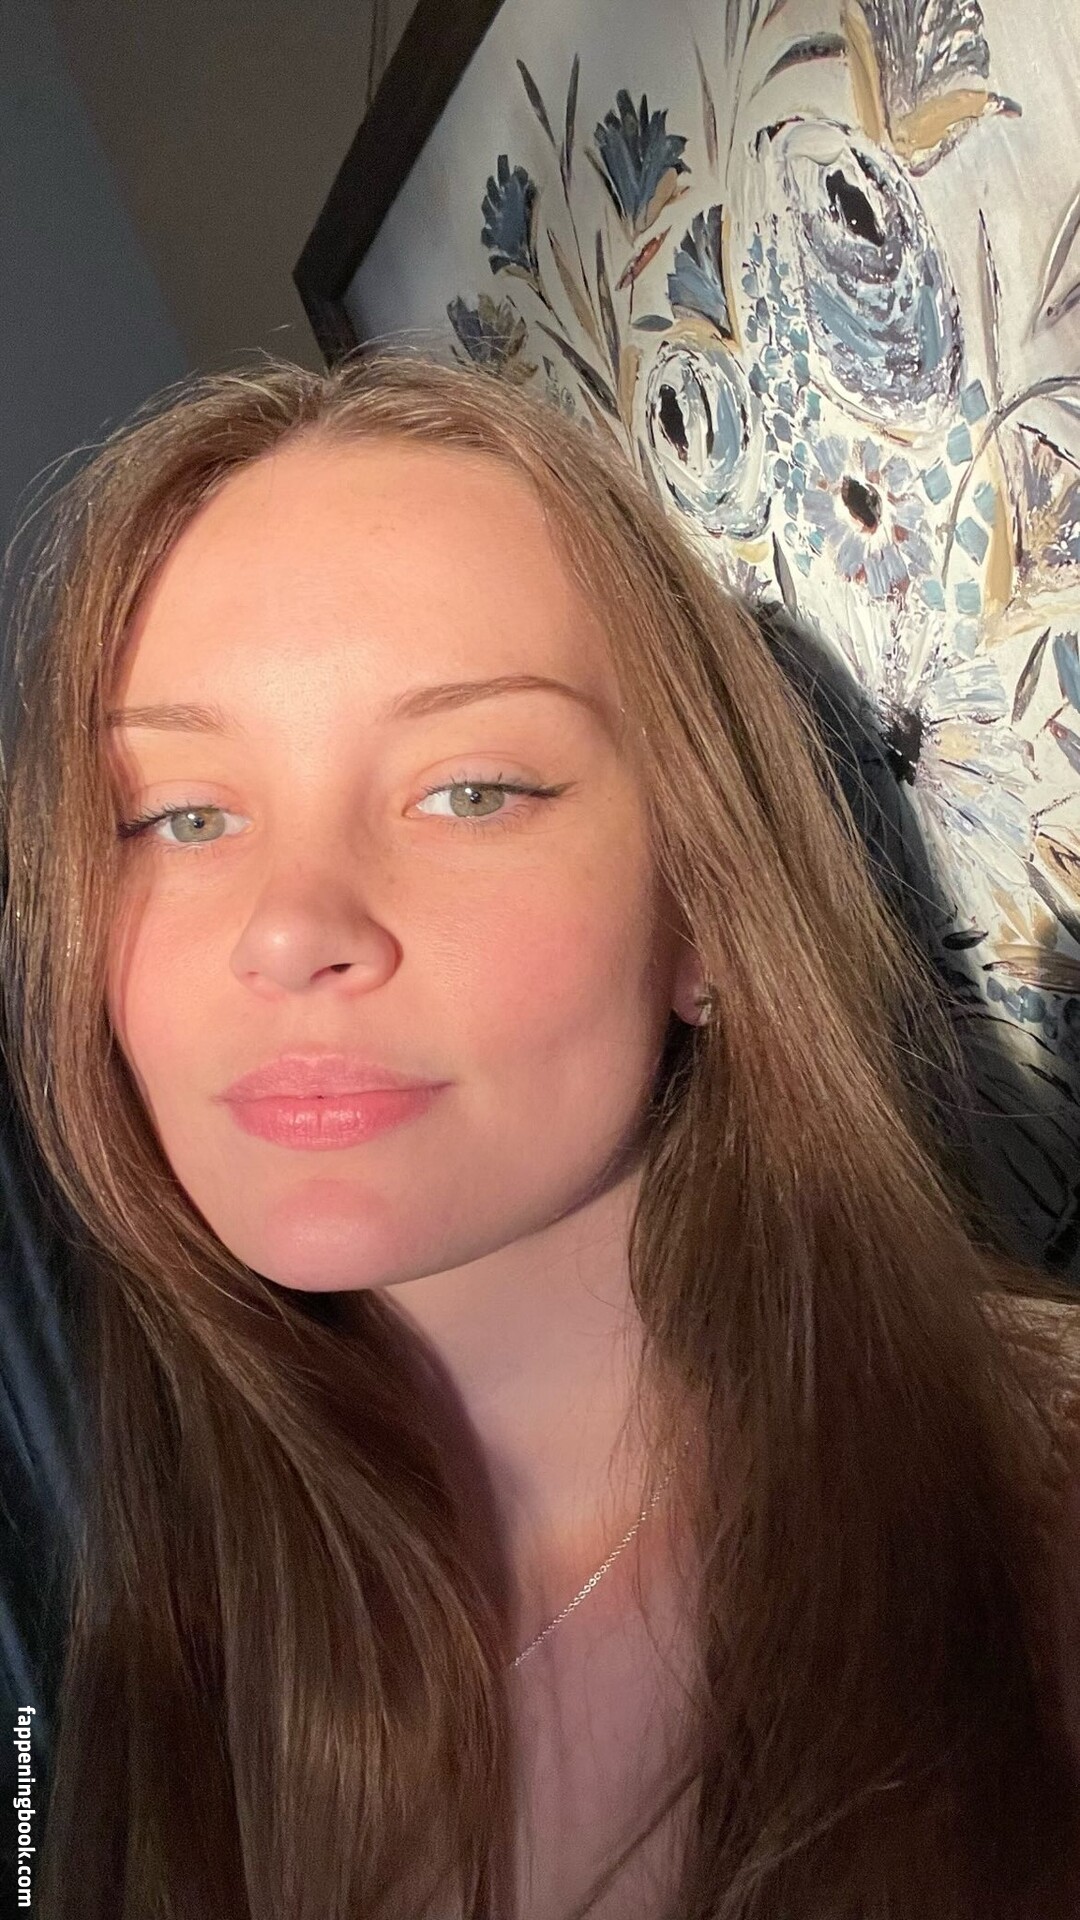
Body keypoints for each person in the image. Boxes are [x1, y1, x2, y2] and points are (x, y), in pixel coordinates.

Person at [1, 349, 1079, 1920]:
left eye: (473, 792)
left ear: (702, 909)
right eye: (183, 815)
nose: (290, 929)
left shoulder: (1036, 1521)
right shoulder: (139, 1634)